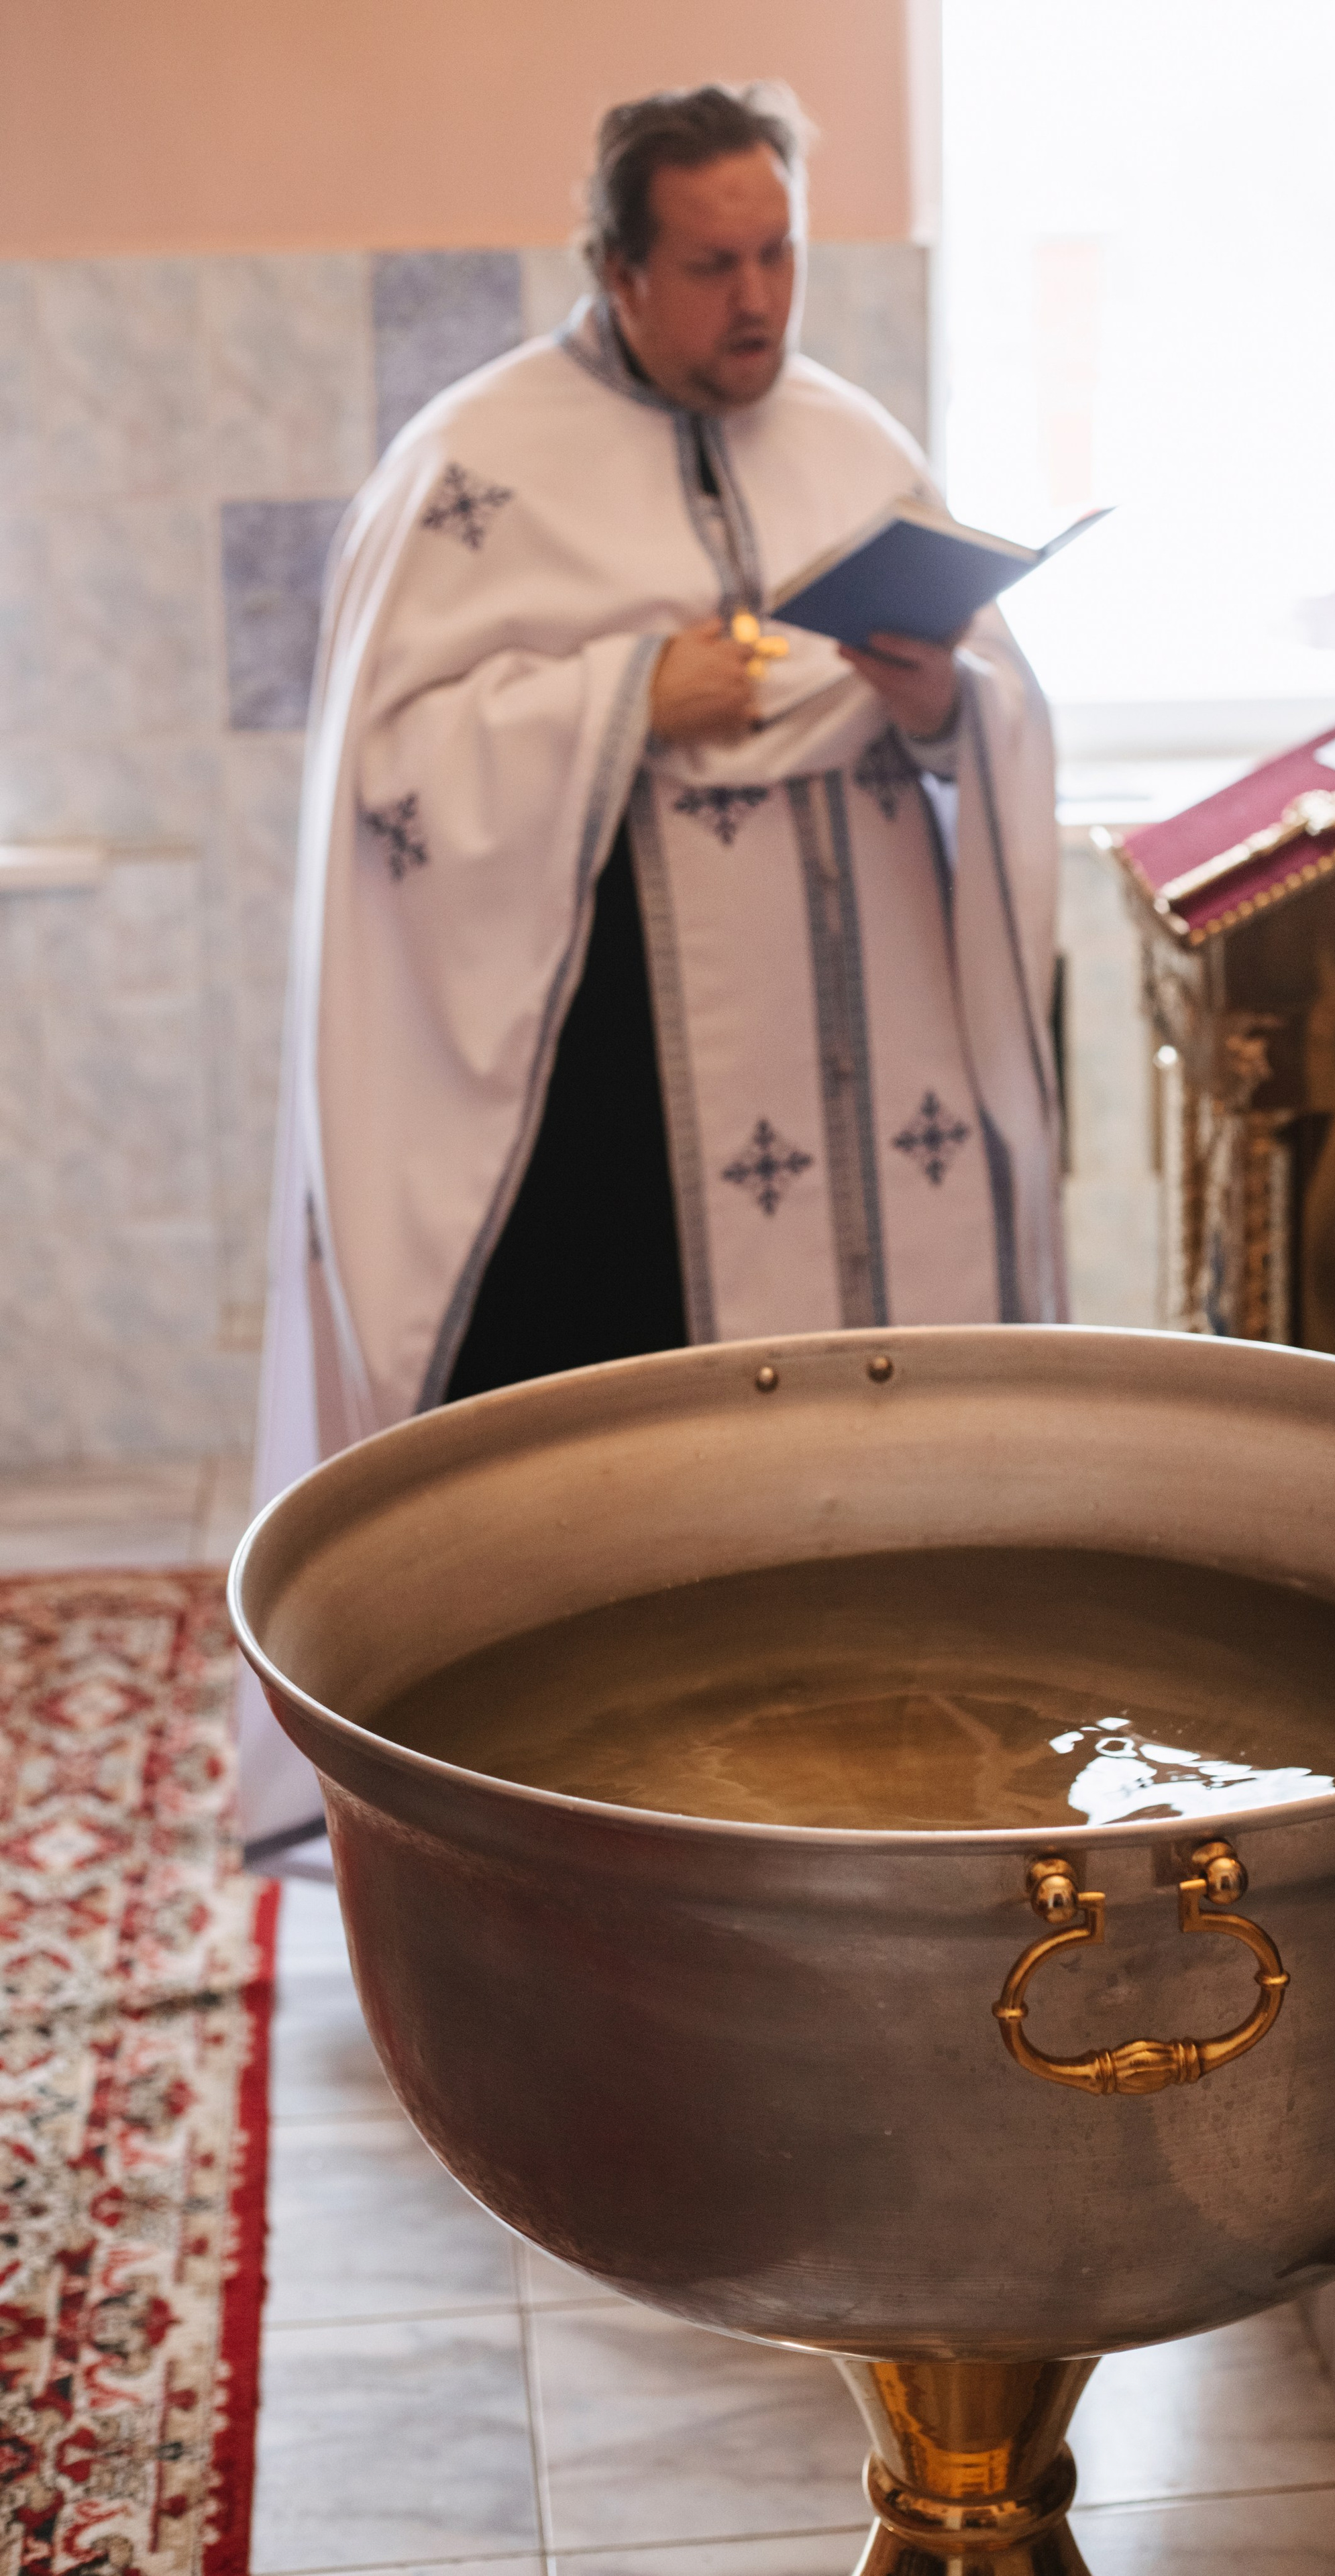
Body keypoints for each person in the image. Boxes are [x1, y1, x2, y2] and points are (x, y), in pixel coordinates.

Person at [242, 81, 1064, 1862]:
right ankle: (563, 1850)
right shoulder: (471, 470)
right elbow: (384, 777)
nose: (758, 300)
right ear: (615, 269)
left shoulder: (854, 441)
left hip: (860, 1110)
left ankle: (863, 1796)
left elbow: (985, 712)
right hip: (600, 1098)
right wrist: (627, 702)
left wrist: (942, 706)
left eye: (778, 254)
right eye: (710, 265)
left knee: (856, 1486)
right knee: (601, 1484)